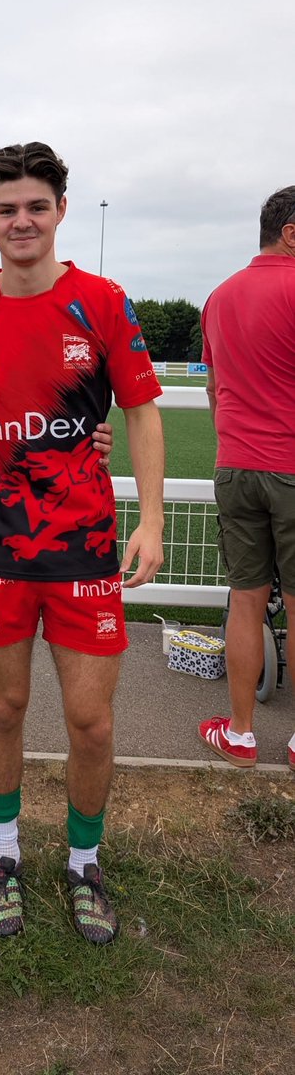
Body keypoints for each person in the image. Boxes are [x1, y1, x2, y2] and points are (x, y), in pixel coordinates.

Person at [0, 142, 165, 945]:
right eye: (7, 208)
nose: (21, 220)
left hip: (84, 549)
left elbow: (141, 409)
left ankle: (82, 862)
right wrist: (26, 452)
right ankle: (3, 856)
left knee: (90, 723)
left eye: (35, 205)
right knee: (3, 708)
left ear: (60, 212)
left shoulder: (101, 300)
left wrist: (150, 516)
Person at [198, 186, 295, 773]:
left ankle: (239, 735)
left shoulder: (218, 295)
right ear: (291, 231)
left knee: (245, 599)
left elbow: (214, 390)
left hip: (236, 465)